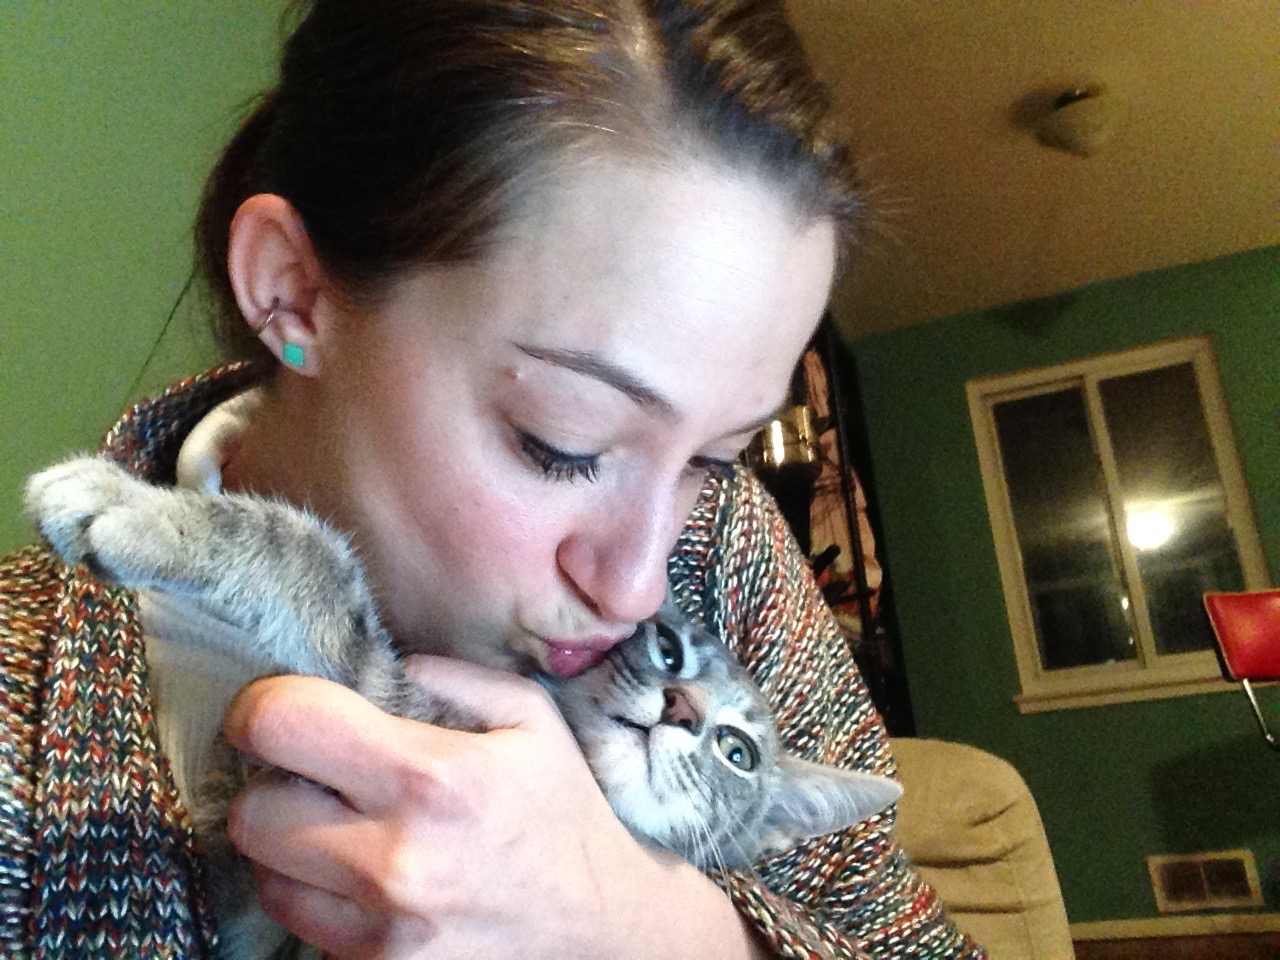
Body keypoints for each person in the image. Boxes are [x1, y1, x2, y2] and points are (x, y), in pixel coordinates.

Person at [0, 1, 987, 957]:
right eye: (562, 441)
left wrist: (643, 930)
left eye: (710, 459)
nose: (639, 585)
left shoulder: (723, 547)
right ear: (293, 293)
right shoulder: (20, 700)